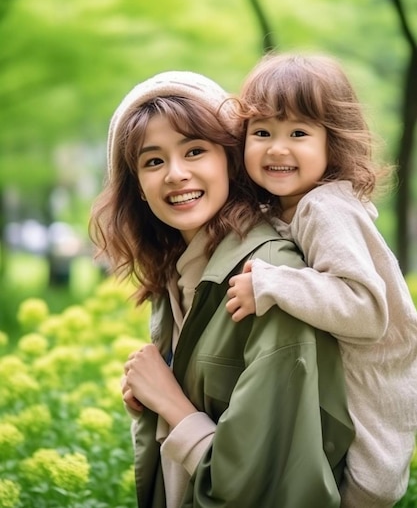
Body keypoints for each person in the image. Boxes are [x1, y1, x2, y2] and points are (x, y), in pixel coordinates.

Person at [89, 70, 354, 508]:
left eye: (195, 150)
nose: (176, 174)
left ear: (230, 159)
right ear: (137, 187)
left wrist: (172, 404)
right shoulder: (177, 278)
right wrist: (157, 400)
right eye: (153, 161)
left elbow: (271, 489)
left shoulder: (269, 279)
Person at [225, 52, 417, 508]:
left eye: (298, 133)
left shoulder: (324, 208)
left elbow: (367, 311)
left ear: (334, 142)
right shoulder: (291, 206)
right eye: (262, 133)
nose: (277, 148)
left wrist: (274, 284)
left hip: (367, 424)